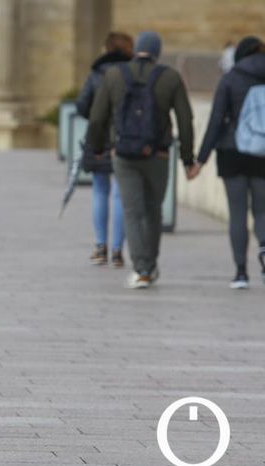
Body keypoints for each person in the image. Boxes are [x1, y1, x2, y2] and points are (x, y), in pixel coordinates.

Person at [87, 31, 199, 289]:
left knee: (132, 211)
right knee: (153, 211)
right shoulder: (170, 77)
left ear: (136, 49)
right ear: (157, 51)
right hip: (158, 155)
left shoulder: (114, 75)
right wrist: (187, 159)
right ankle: (149, 264)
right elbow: (185, 120)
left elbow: (97, 118)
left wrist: (97, 148)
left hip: (124, 155)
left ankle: (141, 269)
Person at [196, 36, 265, 289]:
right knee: (262, 211)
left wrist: (200, 160)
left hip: (232, 151)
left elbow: (215, 121)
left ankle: (241, 273)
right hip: (263, 153)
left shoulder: (231, 78)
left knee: (237, 214)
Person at [76, 32, 134, 268]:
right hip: (125, 138)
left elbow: (82, 105)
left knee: (100, 190)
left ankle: (100, 247)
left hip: (98, 137)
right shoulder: (133, 73)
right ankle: (119, 251)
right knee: (121, 194)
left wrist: (94, 116)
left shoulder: (96, 73)